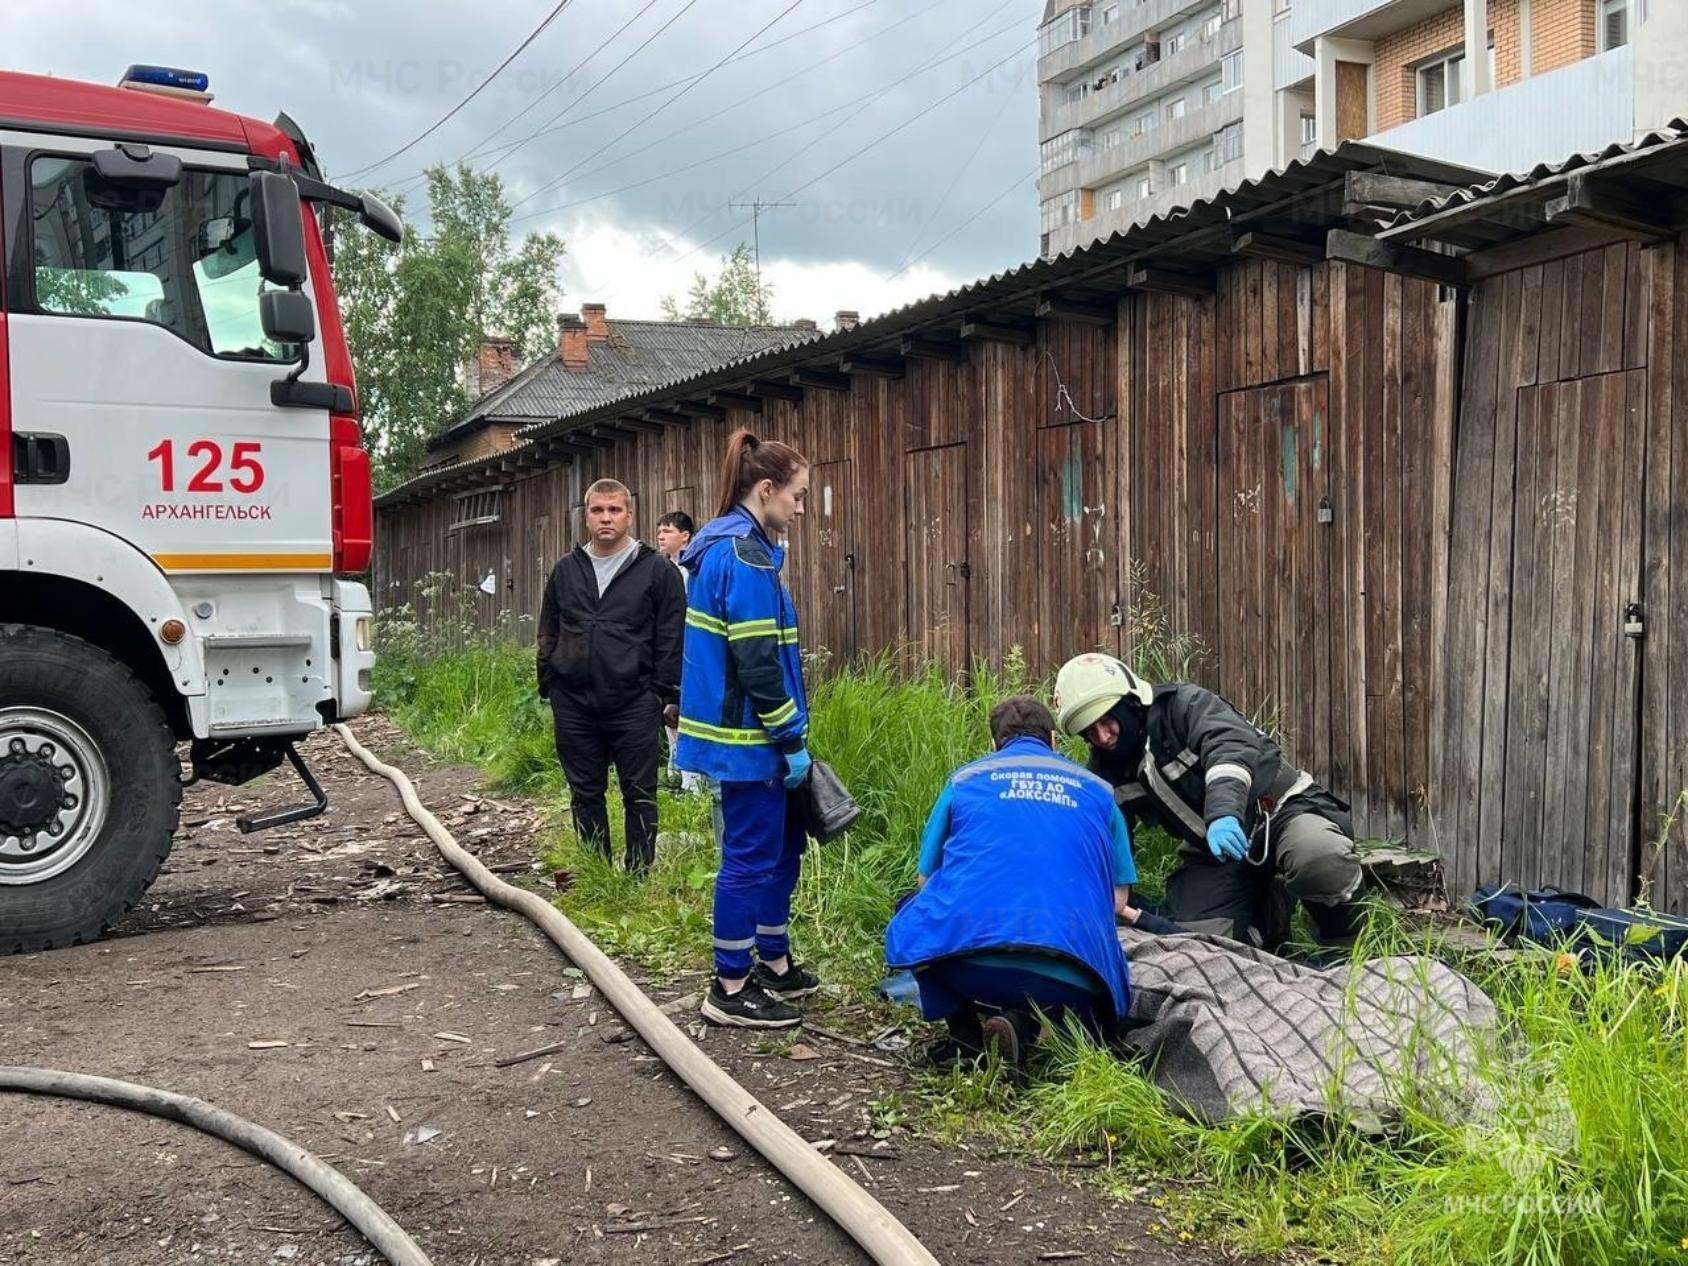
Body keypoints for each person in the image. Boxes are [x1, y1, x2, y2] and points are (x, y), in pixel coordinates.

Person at [884, 695, 1135, 1068]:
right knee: (1088, 967)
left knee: (910, 912)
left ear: (993, 745)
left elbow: (925, 883)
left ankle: (965, 1037)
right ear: (1054, 740)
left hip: (970, 968)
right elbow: (1116, 902)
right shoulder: (1100, 791)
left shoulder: (965, 779)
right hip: (1076, 979)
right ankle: (1028, 1024)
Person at [1052, 653, 1365, 949]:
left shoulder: (1186, 705)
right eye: (1090, 732)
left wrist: (1223, 814)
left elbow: (1229, 749)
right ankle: (1271, 911)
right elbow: (1111, 843)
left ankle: (1345, 946)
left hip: (1280, 812)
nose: (1103, 736)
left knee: (1319, 858)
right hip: (1215, 852)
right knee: (1202, 946)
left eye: (1107, 721)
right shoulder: (1106, 772)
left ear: (1131, 703)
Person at [675, 431, 817, 1029]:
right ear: (767, 490)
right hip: (750, 740)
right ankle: (730, 984)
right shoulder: (745, 556)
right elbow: (758, 663)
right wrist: (790, 739)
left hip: (753, 736)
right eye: (798, 495)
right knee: (751, 857)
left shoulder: (733, 547)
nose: (802, 507)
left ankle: (773, 959)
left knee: (782, 848)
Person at [537, 479, 686, 875]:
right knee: (585, 792)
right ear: (586, 516)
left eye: (614, 510)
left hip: (635, 700)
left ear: (629, 515)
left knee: (639, 792)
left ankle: (637, 876)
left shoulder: (657, 571)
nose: (606, 517)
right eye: (597, 510)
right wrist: (549, 678)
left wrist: (661, 694)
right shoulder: (567, 570)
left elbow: (672, 637)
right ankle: (597, 873)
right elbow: (549, 626)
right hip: (574, 701)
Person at [654, 510, 702, 792]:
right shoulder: (659, 570)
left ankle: (694, 782)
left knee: (687, 713)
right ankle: (676, 773)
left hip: (690, 652)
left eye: (668, 531)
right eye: (659, 530)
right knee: (668, 714)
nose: (661, 535)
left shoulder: (692, 572)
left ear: (685, 536)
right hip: (666, 653)